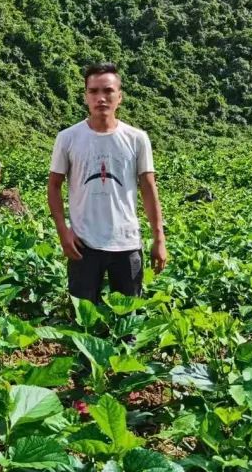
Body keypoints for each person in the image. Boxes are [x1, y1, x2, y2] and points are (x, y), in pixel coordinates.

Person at [47, 62, 167, 305]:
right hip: (83, 244)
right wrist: (63, 231)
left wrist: (159, 238)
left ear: (119, 97)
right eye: (94, 91)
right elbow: (53, 186)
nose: (101, 98)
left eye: (108, 91)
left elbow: (148, 188)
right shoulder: (68, 138)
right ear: (85, 97)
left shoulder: (137, 139)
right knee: (84, 322)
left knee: (127, 323)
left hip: (127, 242)